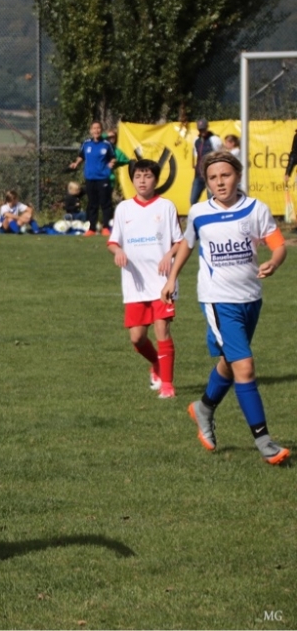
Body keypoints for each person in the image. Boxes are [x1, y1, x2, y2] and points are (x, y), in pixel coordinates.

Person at [160, 151, 290, 465]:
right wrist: (172, 278)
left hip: (251, 298)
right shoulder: (199, 212)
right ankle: (265, 441)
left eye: (225, 175)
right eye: (213, 178)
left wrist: (274, 261)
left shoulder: (255, 209)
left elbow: (278, 244)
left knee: (230, 364)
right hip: (218, 300)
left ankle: (203, 408)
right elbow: (187, 244)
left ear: (238, 176)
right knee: (245, 367)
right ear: (206, 182)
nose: (219, 182)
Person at [107, 159, 183, 399]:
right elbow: (113, 242)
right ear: (132, 179)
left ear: (156, 180)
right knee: (137, 338)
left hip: (162, 282)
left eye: (148, 176)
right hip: (135, 284)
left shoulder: (166, 207)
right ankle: (157, 363)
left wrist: (169, 255)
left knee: (162, 330)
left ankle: (168, 385)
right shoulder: (124, 209)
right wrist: (118, 251)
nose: (142, 181)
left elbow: (180, 241)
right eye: (138, 176)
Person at [69, 121, 116, 236]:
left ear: (101, 130)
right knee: (92, 204)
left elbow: (113, 157)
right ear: (90, 131)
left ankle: (106, 227)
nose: (96, 130)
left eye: (98, 128)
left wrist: (111, 163)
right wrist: (76, 163)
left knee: (105, 203)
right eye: (94, 128)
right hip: (90, 178)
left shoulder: (107, 144)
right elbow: (81, 156)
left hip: (103, 178)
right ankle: (92, 228)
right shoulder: (86, 143)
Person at [189, 118, 223, 205]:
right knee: (193, 200)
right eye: (200, 129)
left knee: (212, 200)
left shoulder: (214, 139)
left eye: (203, 129)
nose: (202, 131)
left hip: (211, 175)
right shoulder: (196, 141)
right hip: (199, 175)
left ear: (207, 127)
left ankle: (214, 214)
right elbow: (196, 155)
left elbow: (221, 154)